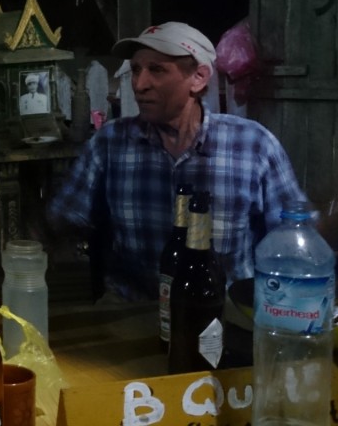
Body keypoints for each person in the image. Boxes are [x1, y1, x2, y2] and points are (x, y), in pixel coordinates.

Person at [48, 22, 305, 300]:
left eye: (156, 70)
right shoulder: (110, 143)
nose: (139, 84)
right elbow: (63, 220)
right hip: (135, 312)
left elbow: (295, 241)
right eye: (136, 70)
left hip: (223, 317)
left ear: (198, 78)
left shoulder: (253, 146)